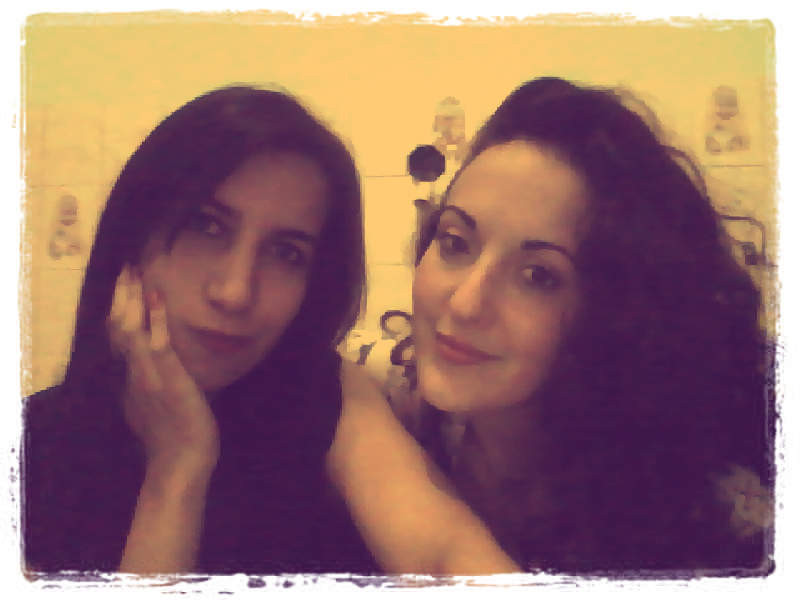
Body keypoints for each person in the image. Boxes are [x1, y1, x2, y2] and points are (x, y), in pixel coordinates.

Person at [22, 85, 518, 575]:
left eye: (286, 253)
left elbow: (444, 555)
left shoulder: (323, 398)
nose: (236, 292)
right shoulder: (29, 453)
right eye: (207, 226)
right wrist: (177, 469)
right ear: (134, 237)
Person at [395, 77, 774, 573]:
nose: (466, 304)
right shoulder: (392, 424)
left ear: (615, 315)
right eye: (455, 243)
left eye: (538, 276)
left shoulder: (718, 525)